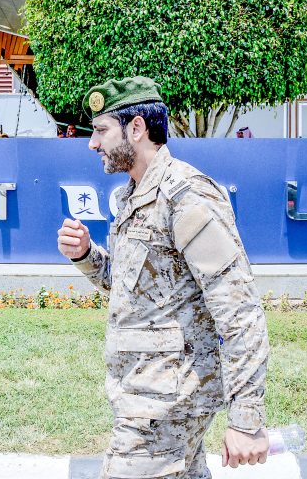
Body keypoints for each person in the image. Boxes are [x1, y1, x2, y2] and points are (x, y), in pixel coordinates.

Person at [56, 76, 270, 479]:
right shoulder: (133, 196)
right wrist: (85, 255)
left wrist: (246, 420)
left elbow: (239, 309)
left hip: (166, 404)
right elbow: (140, 289)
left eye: (101, 130)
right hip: (148, 394)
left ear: (136, 128)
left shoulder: (186, 195)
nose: (92, 143)